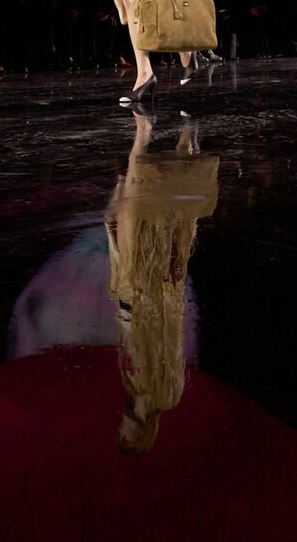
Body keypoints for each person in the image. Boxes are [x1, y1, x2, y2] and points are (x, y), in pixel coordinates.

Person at [107, 111, 219, 454]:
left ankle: (154, 133)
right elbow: (166, 332)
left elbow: (132, 326)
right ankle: (175, 136)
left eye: (121, 432)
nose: (123, 426)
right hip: (146, 287)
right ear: (141, 434)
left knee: (135, 203)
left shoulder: (134, 383)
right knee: (155, 210)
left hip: (131, 284)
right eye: (128, 434)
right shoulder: (165, 392)